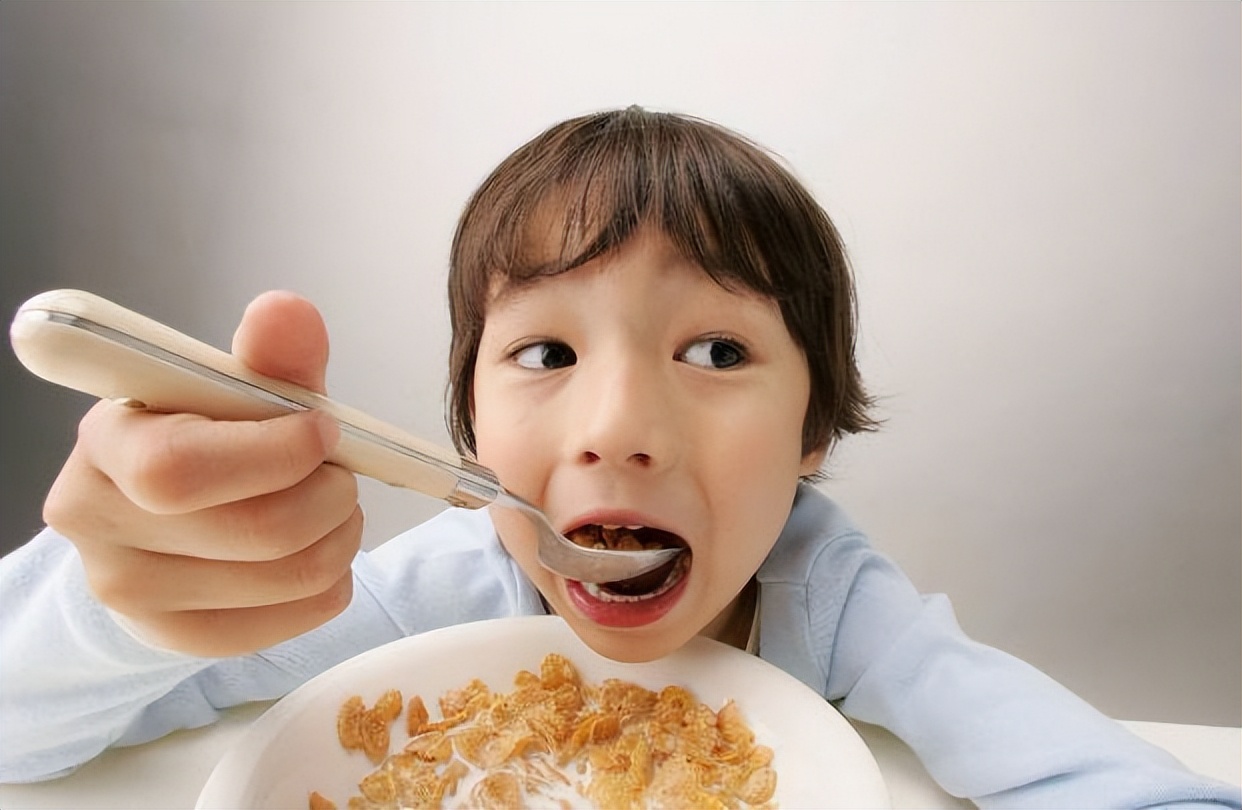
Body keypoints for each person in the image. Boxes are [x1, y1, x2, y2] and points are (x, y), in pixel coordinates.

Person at [1, 107, 1238, 808]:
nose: (618, 427)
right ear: (469, 425)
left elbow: (1096, 775)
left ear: (814, 430)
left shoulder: (830, 602)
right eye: (545, 353)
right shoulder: (434, 598)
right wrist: (130, 606)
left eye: (715, 351)